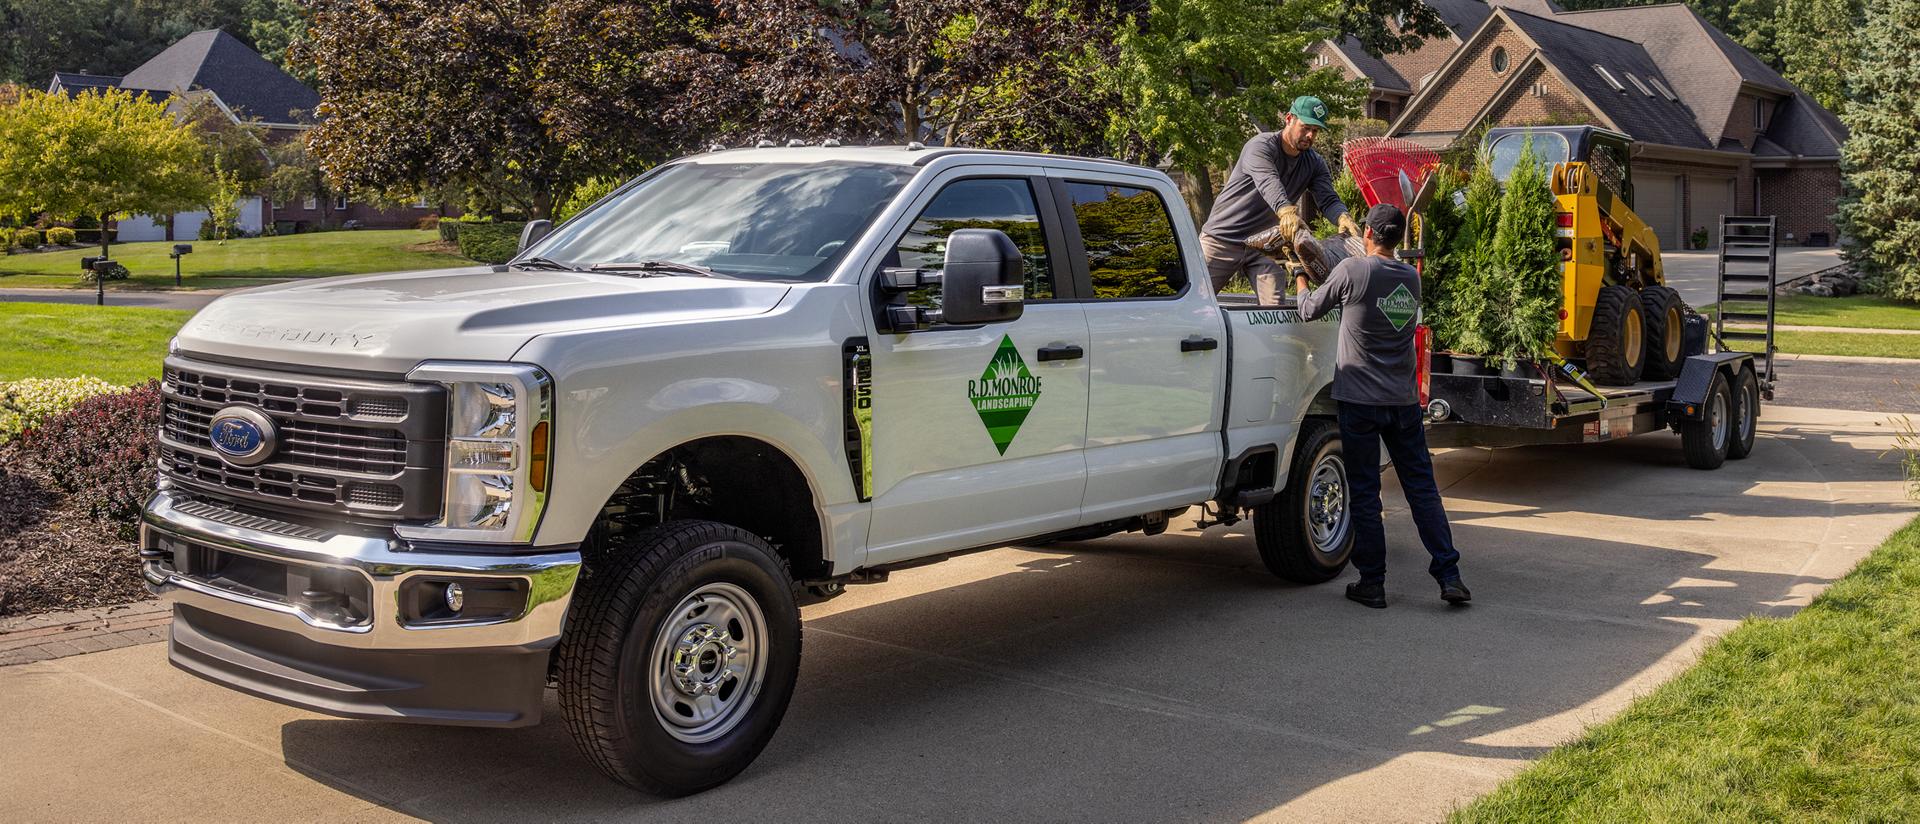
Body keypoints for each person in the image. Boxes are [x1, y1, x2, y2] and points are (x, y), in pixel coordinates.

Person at [1295, 203, 1469, 609]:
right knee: (1422, 490)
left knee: (1366, 492)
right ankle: (1449, 575)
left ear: (1368, 235)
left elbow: (1307, 310)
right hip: (1403, 402)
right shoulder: (1411, 277)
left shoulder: (1354, 271)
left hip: (1359, 401)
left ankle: (1372, 583)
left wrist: (1301, 277)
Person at [1200, 96, 1363, 305]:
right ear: (1289, 119)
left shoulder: (1314, 163)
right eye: (1305, 127)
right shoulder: (1260, 147)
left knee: (1274, 309)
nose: (1310, 135)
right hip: (1222, 239)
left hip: (1263, 245)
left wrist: (1342, 216)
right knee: (1195, 301)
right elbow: (1269, 181)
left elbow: (1328, 198)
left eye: (1315, 130)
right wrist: (1286, 211)